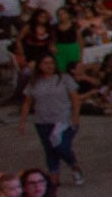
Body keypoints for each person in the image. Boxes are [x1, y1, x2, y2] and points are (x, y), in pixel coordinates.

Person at [27, 55, 84, 185]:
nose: (49, 66)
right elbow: (27, 101)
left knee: (62, 146)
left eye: (51, 63)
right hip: (43, 120)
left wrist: (75, 117)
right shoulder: (34, 81)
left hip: (63, 120)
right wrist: (22, 121)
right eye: (46, 63)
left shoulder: (64, 79)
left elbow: (75, 98)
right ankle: (53, 171)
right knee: (49, 148)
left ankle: (74, 165)